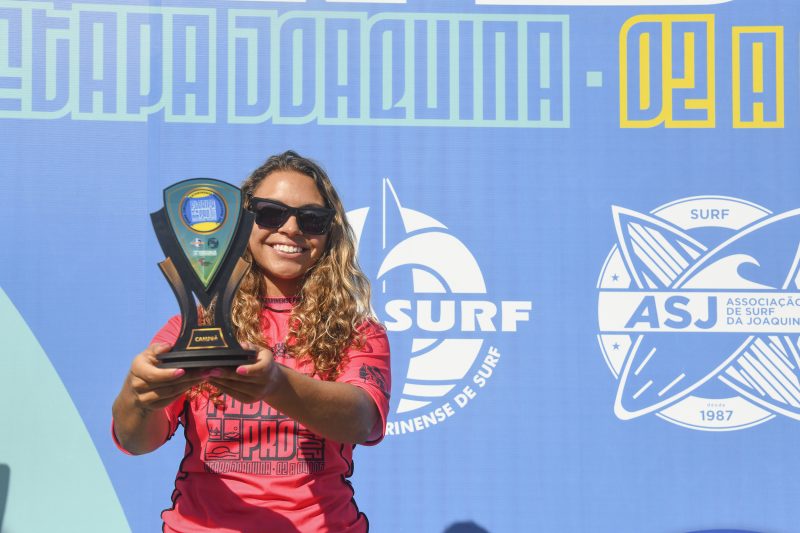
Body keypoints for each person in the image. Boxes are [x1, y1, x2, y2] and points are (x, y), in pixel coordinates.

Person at [112, 151, 391, 532]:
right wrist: (138, 395)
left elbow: (362, 421)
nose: (291, 228)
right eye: (270, 213)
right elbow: (135, 441)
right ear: (240, 223)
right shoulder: (194, 328)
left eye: (311, 220)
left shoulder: (357, 331)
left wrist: (275, 384)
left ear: (330, 235)